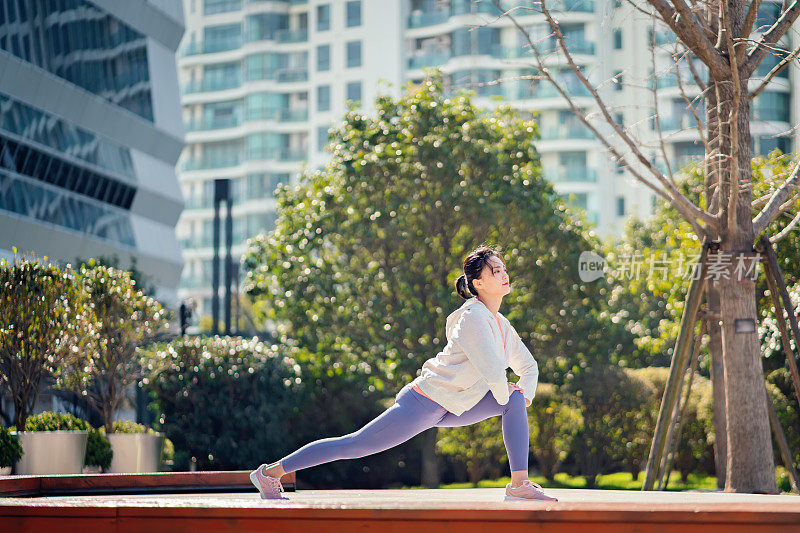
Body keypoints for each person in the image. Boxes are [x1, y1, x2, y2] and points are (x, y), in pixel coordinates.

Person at [250, 245, 558, 502]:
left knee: (514, 400)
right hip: (424, 402)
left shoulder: (502, 325)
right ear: (478, 283)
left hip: (454, 406)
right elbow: (492, 370)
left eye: (504, 269)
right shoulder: (473, 317)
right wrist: (508, 391)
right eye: (496, 272)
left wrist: (521, 394)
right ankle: (270, 472)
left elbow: (528, 366)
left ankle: (519, 484)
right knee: (354, 444)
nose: (505, 275)